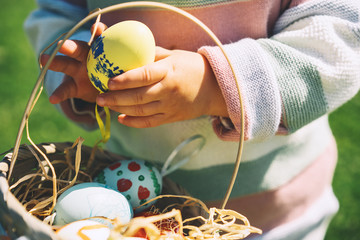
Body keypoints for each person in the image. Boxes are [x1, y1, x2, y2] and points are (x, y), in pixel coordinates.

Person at [25, 0, 360, 239]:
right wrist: (86, 65)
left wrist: (213, 85)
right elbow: (59, 9)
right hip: (139, 219)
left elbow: (337, 40)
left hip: (271, 213)